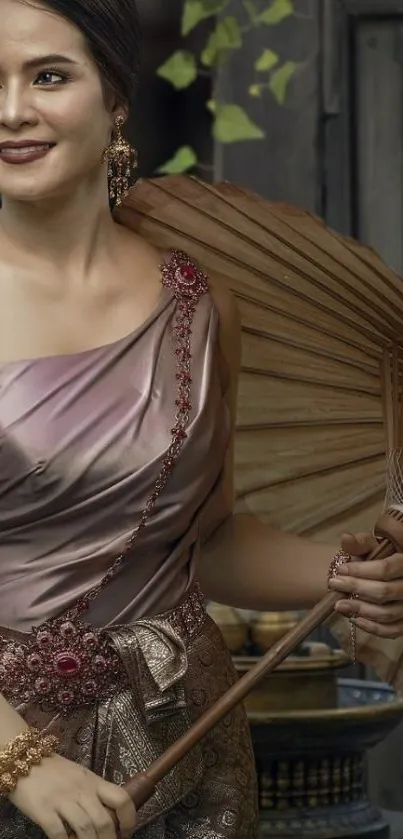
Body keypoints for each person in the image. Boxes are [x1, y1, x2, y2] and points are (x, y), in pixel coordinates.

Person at [1, 1, 403, 838]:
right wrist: (19, 759)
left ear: (114, 98)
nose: (12, 111)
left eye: (48, 76)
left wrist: (350, 572)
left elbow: (207, 543)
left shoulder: (199, 304)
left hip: (181, 736)